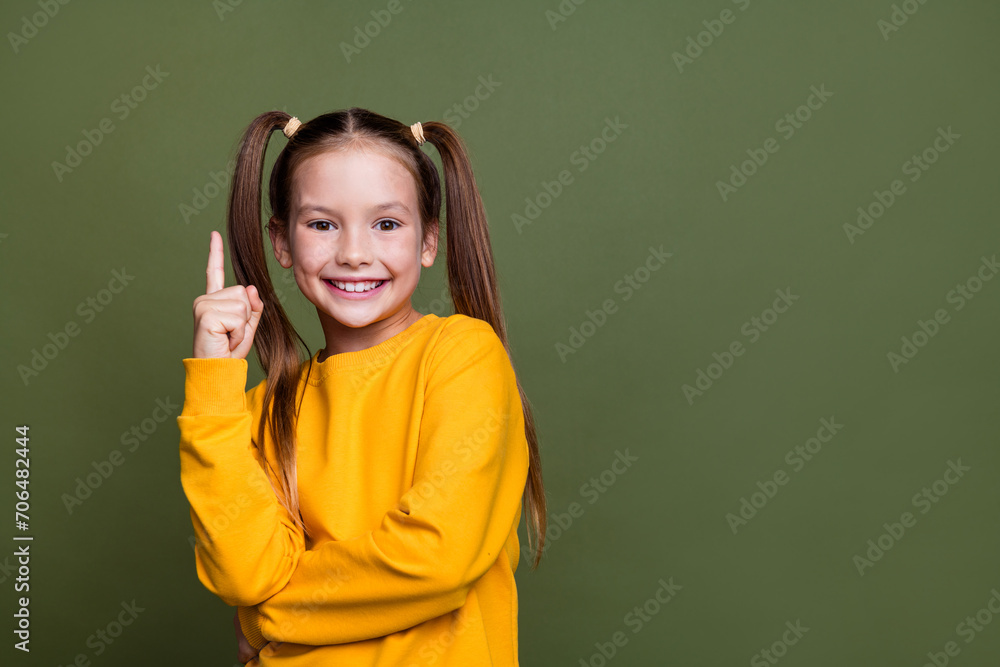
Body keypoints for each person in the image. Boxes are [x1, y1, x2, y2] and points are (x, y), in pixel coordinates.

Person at [177, 107, 547, 666]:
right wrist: (213, 388)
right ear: (282, 243)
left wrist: (267, 618)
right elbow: (244, 573)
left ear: (428, 241)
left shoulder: (463, 356)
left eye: (387, 224)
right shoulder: (256, 411)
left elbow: (436, 559)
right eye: (322, 224)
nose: (353, 253)